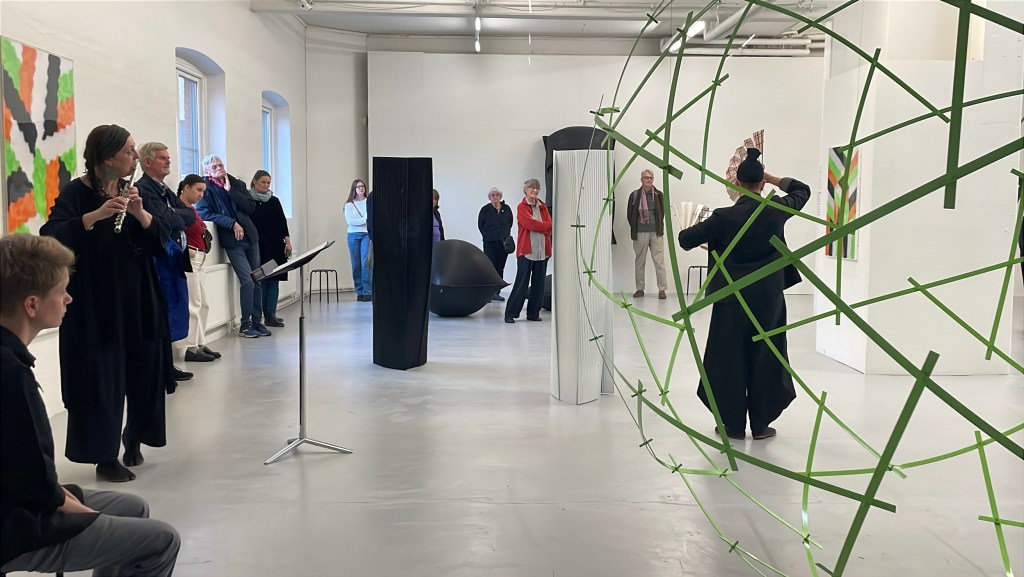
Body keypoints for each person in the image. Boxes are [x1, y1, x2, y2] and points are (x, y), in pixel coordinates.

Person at [0, 233, 181, 576]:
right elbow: (31, 481)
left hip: (18, 499)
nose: (69, 298)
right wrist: (77, 509)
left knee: (131, 506)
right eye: (62, 291)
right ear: (32, 305)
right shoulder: (10, 375)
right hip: (13, 526)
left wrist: (62, 498)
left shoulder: (10, 359)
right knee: (162, 540)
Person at [39, 124, 174, 482]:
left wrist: (141, 214)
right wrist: (94, 217)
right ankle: (104, 455)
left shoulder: (133, 191)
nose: (134, 156)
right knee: (101, 376)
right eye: (129, 150)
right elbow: (51, 235)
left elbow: (161, 240)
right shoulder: (77, 191)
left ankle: (136, 435)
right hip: (96, 299)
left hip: (138, 294)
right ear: (107, 157)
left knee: (144, 368)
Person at [677, 148, 810, 440]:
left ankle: (733, 425)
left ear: (736, 183)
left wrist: (710, 236)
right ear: (761, 183)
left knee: (729, 357)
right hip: (768, 299)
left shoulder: (723, 217)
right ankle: (760, 425)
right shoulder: (776, 210)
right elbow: (803, 190)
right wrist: (771, 178)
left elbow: (685, 240)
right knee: (766, 355)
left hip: (731, 299)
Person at [135, 142, 195, 377]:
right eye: (162, 158)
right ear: (147, 162)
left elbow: (189, 215)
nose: (168, 161)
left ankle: (167, 366)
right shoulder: (144, 189)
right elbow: (169, 221)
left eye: (168, 157)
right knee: (162, 312)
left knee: (174, 310)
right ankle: (162, 368)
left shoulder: (164, 189)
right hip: (159, 260)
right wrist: (175, 216)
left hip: (173, 260)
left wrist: (174, 215)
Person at [196, 155, 271, 338]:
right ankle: (245, 325)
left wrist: (231, 191)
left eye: (220, 164)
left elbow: (250, 208)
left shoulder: (237, 184)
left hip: (251, 237)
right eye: (214, 166)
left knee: (258, 279)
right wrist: (231, 223)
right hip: (232, 241)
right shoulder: (206, 189)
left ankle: (257, 322)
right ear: (207, 171)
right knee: (247, 280)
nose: (219, 168)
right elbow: (205, 213)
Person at [177, 174, 220, 362]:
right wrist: (186, 250)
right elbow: (172, 234)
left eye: (203, 191)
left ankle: (200, 342)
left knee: (203, 304)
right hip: (191, 258)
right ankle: (191, 346)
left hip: (200, 259)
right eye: (198, 190)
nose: (201, 194)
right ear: (186, 188)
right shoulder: (178, 209)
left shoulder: (191, 210)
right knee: (193, 304)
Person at [504, 178, 552, 324]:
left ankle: (533, 313)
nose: (535, 190)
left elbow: (551, 226)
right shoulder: (522, 207)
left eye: (537, 188)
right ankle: (510, 313)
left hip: (543, 252)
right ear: (525, 190)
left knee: (539, 284)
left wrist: (542, 225)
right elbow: (531, 224)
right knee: (521, 283)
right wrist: (543, 225)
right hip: (527, 252)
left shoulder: (543, 207)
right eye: (532, 188)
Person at [249, 170, 292, 326]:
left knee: (274, 279)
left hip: (274, 244)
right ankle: (260, 315)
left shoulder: (274, 201)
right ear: (255, 181)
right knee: (261, 280)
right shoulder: (248, 200)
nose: (266, 185)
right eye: (263, 182)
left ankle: (271, 315)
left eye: (268, 183)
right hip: (258, 245)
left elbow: (282, 222)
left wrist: (287, 241)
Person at [627, 169, 668, 300]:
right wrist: (636, 227)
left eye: (651, 178)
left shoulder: (659, 194)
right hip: (640, 233)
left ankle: (662, 289)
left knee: (659, 261)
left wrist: (659, 228)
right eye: (646, 177)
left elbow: (662, 213)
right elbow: (630, 214)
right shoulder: (634, 195)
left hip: (656, 233)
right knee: (640, 261)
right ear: (641, 179)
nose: (649, 180)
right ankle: (640, 289)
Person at [478, 187, 514, 301]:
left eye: (497, 195)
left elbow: (510, 222)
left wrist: (504, 234)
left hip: (503, 243)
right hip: (490, 243)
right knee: (490, 267)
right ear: (489, 197)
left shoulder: (506, 209)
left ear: (500, 197)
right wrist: (488, 236)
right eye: (493, 195)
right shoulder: (485, 210)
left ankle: (496, 292)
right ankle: (488, 293)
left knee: (500, 267)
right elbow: (480, 225)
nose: (495, 197)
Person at [344, 179, 372, 302]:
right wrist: (364, 219)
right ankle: (359, 291)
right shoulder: (349, 205)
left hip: (366, 234)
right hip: (353, 235)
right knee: (356, 264)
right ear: (354, 189)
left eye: (362, 186)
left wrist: (363, 220)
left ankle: (368, 292)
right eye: (358, 186)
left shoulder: (369, 202)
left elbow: (370, 218)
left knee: (365, 263)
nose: (361, 188)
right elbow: (350, 222)